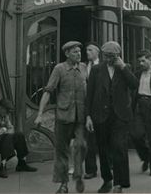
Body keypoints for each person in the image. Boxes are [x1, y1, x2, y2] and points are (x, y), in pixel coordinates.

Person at [86, 41, 138, 193]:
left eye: (112, 56)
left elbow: (134, 85)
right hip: (100, 116)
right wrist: (88, 116)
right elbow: (89, 94)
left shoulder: (124, 68)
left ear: (118, 55)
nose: (108, 59)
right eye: (106, 56)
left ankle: (119, 184)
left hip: (120, 116)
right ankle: (107, 180)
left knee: (119, 147)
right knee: (102, 149)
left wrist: (122, 67)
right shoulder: (96, 70)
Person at [35, 41, 87, 194]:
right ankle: (63, 184)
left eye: (79, 51)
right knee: (61, 151)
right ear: (67, 54)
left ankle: (78, 175)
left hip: (81, 116)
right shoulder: (59, 69)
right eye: (75, 52)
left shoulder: (84, 68)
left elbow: (89, 90)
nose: (78, 54)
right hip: (64, 115)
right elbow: (48, 91)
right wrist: (39, 114)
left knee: (81, 146)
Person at [0, 98, 37, 178]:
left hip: (0, 140)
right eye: (6, 110)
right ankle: (3, 166)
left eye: (9, 111)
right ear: (0, 107)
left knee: (19, 135)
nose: (7, 113)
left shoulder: (5, 115)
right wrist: (4, 129)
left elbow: (11, 128)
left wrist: (5, 131)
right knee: (7, 137)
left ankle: (21, 163)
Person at [130, 49, 151, 176]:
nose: (141, 63)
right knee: (136, 135)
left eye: (143, 60)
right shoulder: (137, 74)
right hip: (139, 105)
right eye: (139, 61)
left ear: (150, 59)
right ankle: (146, 157)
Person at [84, 42, 100, 180]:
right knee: (89, 140)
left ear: (97, 52)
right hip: (88, 106)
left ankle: (111, 165)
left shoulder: (103, 66)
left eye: (90, 50)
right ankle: (90, 169)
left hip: (102, 107)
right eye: (86, 50)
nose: (87, 52)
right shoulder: (84, 66)